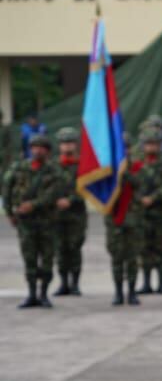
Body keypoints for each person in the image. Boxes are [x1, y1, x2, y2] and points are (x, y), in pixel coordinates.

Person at [4, 131, 64, 308]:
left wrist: (33, 205)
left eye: (41, 148)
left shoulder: (54, 170)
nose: (37, 151)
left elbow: (53, 193)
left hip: (47, 222)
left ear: (47, 151)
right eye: (34, 147)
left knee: (47, 259)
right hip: (26, 223)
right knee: (29, 259)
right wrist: (9, 213)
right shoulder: (18, 168)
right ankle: (31, 294)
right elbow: (7, 189)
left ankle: (43, 294)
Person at [105, 134, 157, 306]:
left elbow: (142, 184)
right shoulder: (107, 169)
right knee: (117, 258)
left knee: (132, 258)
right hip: (114, 219)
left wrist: (124, 173)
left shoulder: (138, 167)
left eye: (126, 148)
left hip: (134, 219)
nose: (123, 151)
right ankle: (118, 292)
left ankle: (132, 292)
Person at [135, 127, 162, 295]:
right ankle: (146, 283)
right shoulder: (136, 163)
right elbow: (130, 183)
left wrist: (153, 198)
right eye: (148, 144)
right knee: (144, 247)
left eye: (154, 144)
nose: (151, 147)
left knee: (161, 247)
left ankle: (161, 283)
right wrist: (140, 198)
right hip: (142, 213)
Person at [52, 127, 88, 296]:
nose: (67, 146)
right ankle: (63, 283)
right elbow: (46, 186)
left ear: (76, 144)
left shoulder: (83, 165)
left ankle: (75, 283)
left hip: (76, 214)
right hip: (57, 214)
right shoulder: (52, 166)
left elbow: (87, 187)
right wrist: (55, 199)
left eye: (70, 142)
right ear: (59, 145)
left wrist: (71, 199)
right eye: (64, 142)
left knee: (74, 248)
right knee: (60, 249)